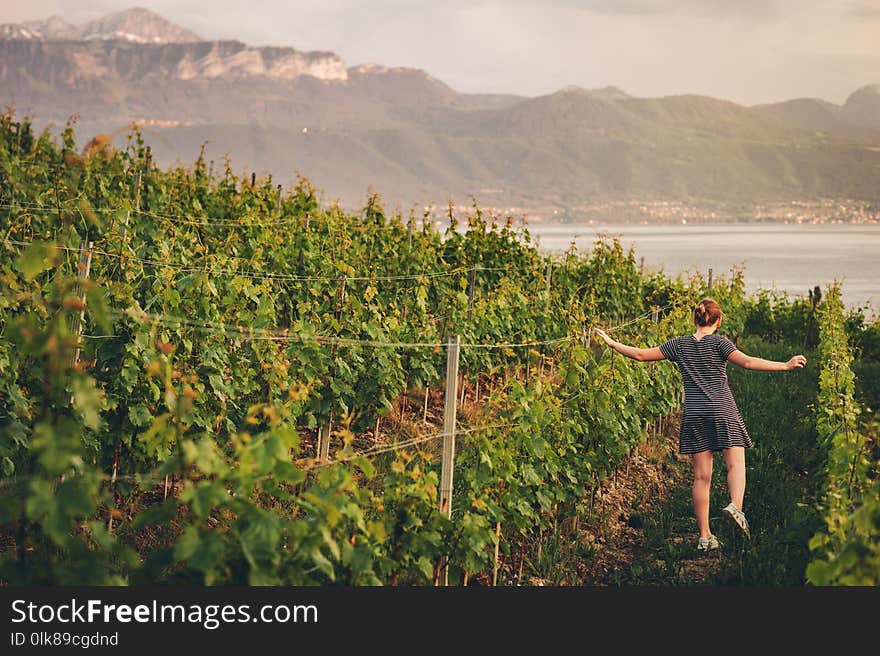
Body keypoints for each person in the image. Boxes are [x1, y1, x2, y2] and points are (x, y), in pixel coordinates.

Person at [591, 298, 807, 551]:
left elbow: (640, 355)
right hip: (722, 409)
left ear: (695, 319)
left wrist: (611, 341)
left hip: (694, 414)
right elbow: (748, 362)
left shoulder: (679, 345)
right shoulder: (720, 343)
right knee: (736, 463)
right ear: (718, 321)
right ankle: (735, 507)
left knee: (701, 477)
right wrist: (785, 365)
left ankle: (705, 537)